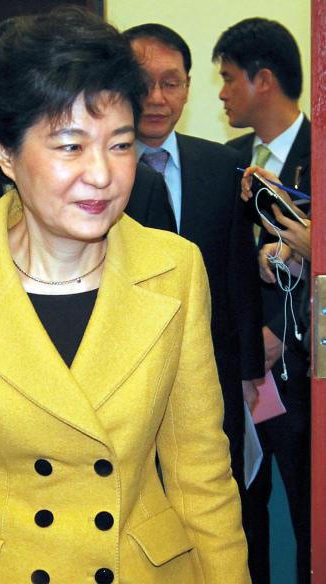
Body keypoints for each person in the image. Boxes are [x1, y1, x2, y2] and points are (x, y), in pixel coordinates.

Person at [0, 8, 249, 583]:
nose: (101, 174)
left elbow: (202, 477)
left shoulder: (174, 271)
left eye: (120, 145)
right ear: (6, 153)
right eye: (70, 147)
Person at [123, 23, 264, 499]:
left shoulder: (221, 166)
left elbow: (238, 275)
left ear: (187, 87)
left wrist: (249, 376)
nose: (156, 97)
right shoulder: (96, 173)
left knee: (222, 505)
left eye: (171, 82)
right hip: (125, 376)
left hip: (212, 371)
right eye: (142, 82)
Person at [213, 19, 310, 584]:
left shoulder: (319, 153)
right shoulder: (225, 162)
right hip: (240, 375)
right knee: (239, 521)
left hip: (299, 377)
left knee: (309, 521)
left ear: (264, 80)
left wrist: (279, 331)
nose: (222, 93)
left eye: (228, 79)